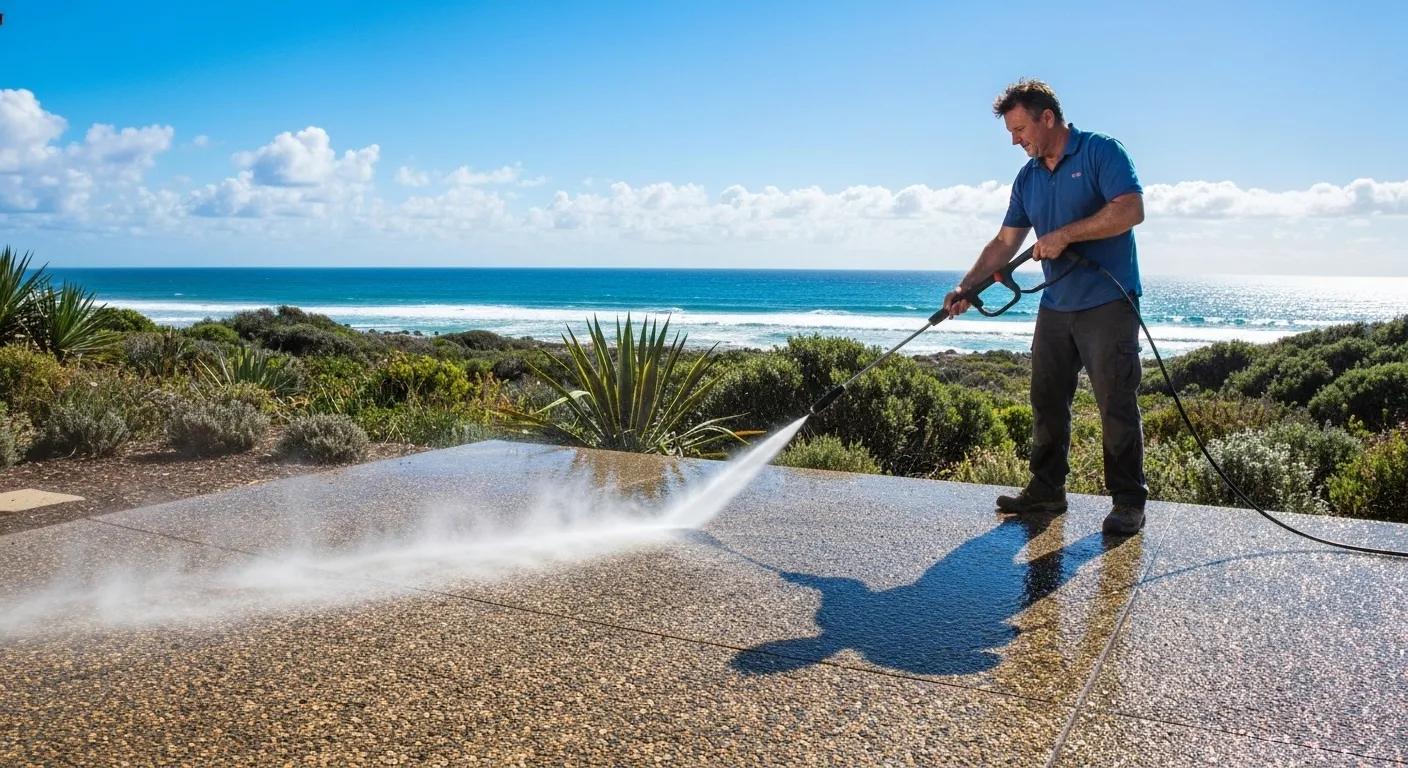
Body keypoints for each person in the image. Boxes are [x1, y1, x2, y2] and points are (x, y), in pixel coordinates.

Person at [944, 78, 1148, 535]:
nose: (1016, 140)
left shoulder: (1101, 152)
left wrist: (1065, 235)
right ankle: (1047, 491)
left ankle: (1129, 501)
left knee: (1115, 402)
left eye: (1020, 130)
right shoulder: (1028, 177)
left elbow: (1130, 210)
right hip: (1057, 305)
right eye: (1012, 133)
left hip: (1108, 301)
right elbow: (1005, 241)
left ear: (1047, 118)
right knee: (1046, 400)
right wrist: (966, 286)